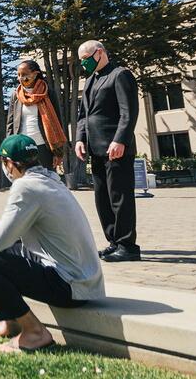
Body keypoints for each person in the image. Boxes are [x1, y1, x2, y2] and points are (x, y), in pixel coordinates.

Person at [0, 134, 105, 353]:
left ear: (10, 164)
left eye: (3, 163)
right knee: (3, 251)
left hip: (69, 287)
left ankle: (35, 332)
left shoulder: (25, 187)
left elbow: (0, 240)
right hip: (83, 281)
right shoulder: (49, 179)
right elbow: (8, 225)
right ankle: (0, 318)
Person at [75, 39, 141, 263]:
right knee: (102, 198)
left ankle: (127, 245)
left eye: (86, 58)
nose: (83, 63)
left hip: (116, 148)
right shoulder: (90, 80)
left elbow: (128, 112)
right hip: (96, 149)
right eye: (81, 60)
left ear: (99, 53)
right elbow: (84, 115)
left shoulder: (120, 75)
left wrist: (120, 140)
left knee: (119, 197)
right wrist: (80, 139)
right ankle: (113, 242)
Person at [6, 60, 68, 173]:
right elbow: (10, 124)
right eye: (18, 75)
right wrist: (8, 149)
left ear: (35, 74)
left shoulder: (48, 93)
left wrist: (58, 153)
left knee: (47, 182)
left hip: (44, 147)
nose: (21, 78)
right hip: (22, 148)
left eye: (24, 74)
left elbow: (57, 123)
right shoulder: (16, 95)